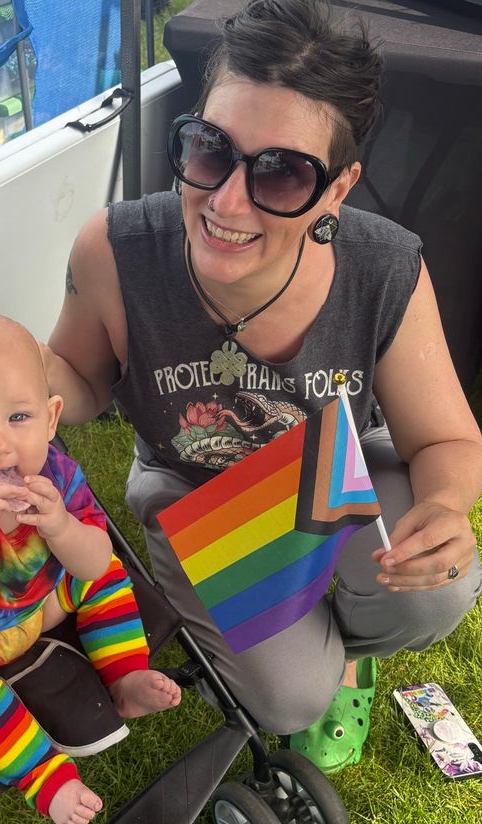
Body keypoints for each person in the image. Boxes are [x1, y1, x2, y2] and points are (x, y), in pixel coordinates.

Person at [41, 0, 482, 773]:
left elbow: (445, 437)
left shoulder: (383, 267)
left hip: (332, 474)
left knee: (443, 591)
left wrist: (444, 507)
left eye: (282, 171)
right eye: (211, 149)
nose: (229, 201)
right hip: (197, 493)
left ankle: (336, 636)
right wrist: (20, 379)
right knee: (289, 701)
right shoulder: (116, 249)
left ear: (339, 188)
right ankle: (321, 653)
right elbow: (78, 378)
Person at [0, 315, 181, 824]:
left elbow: (91, 560)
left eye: (17, 417)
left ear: (50, 420)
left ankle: (124, 675)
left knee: (103, 570)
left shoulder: (58, 478)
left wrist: (62, 527)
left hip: (35, 604)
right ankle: (43, 775)